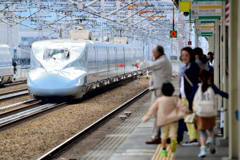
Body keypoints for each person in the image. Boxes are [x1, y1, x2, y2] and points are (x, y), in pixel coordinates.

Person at [136, 45, 172, 144]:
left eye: (153, 52)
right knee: (162, 113)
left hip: (160, 91)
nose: (152, 54)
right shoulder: (164, 61)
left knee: (157, 113)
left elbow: (146, 66)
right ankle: (164, 135)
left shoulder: (161, 61)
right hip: (162, 90)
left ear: (158, 53)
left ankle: (157, 136)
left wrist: (138, 61)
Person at [188, 70, 228, 158]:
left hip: (200, 112)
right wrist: (229, 96)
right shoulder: (212, 86)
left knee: (202, 132)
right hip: (211, 112)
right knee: (210, 130)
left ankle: (203, 150)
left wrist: (190, 108)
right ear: (210, 78)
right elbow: (220, 93)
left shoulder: (196, 87)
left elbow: (190, 98)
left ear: (199, 78)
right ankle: (210, 140)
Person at [142, 83, 189, 157]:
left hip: (163, 121)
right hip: (173, 120)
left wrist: (146, 117)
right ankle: (173, 141)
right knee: (173, 134)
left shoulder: (159, 100)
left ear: (163, 92)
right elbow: (182, 106)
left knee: (163, 136)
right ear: (172, 91)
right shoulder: (175, 98)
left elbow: (152, 109)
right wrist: (186, 112)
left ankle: (164, 150)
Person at [179, 47, 200, 145]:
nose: (184, 57)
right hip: (184, 96)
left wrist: (192, 97)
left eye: (186, 55)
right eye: (182, 55)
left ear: (191, 56)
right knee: (188, 119)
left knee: (190, 118)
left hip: (190, 96)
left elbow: (195, 83)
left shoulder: (194, 67)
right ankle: (193, 138)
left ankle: (193, 139)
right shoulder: (185, 67)